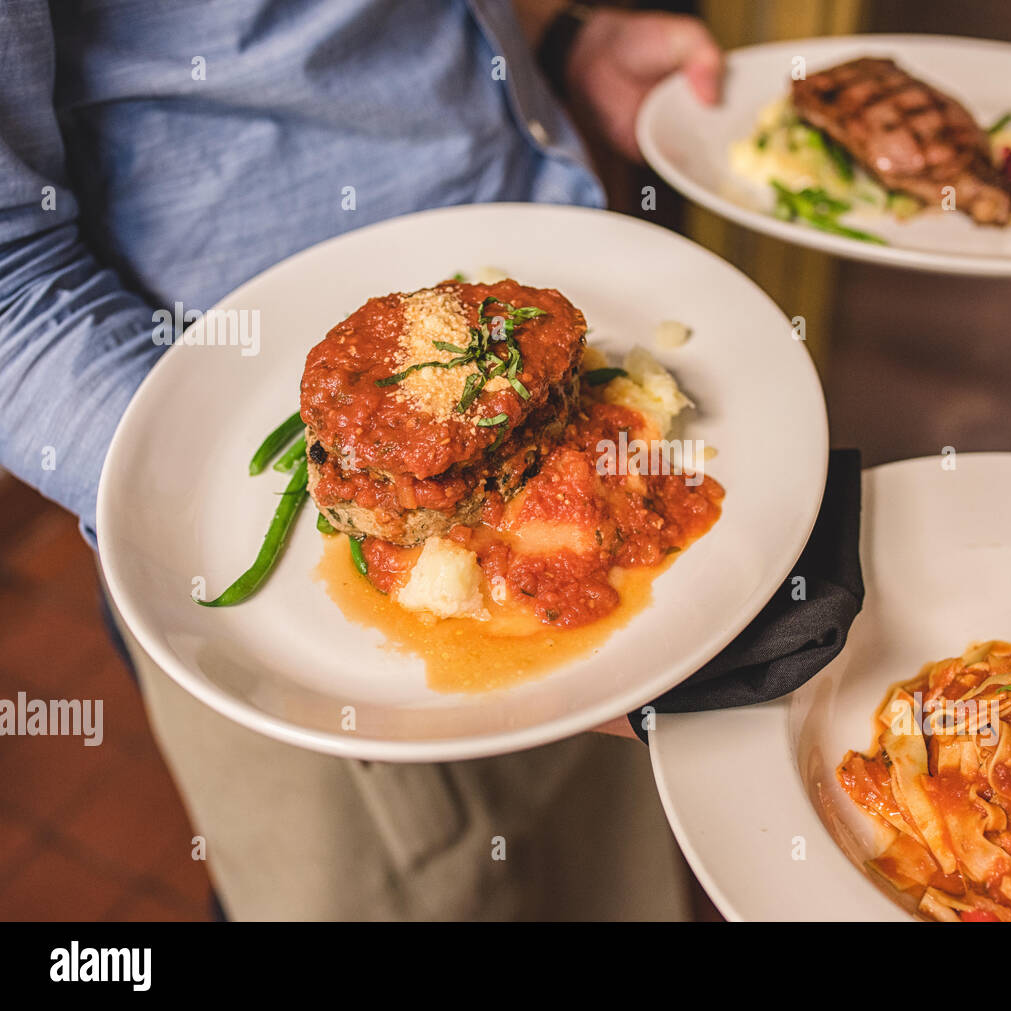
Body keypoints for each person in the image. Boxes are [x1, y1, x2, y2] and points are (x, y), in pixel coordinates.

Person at [0, 0, 723, 920]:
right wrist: (187, 492)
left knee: (615, 883)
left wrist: (553, 46)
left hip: (561, 360)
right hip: (279, 584)